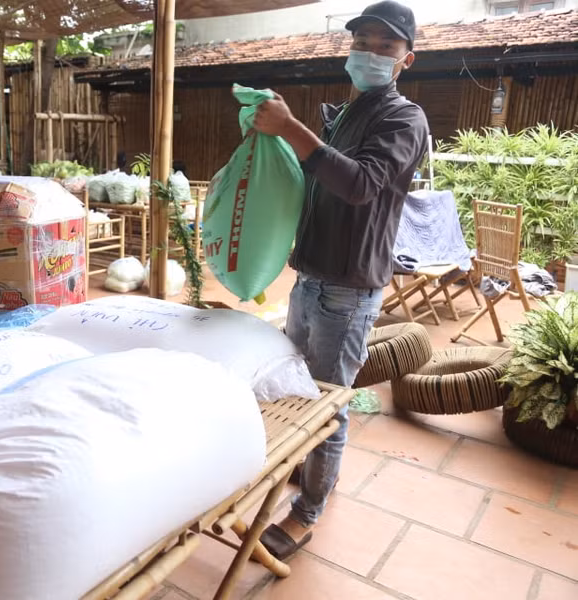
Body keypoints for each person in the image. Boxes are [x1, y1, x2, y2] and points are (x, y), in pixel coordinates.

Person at [251, 0, 429, 560]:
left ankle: (307, 510)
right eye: (362, 42)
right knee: (299, 390)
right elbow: (315, 180)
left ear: (406, 59)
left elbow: (358, 185)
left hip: (348, 289)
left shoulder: (404, 119)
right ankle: (311, 469)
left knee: (328, 405)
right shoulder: (346, 114)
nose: (371, 53)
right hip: (311, 279)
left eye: (386, 46)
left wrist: (291, 128)